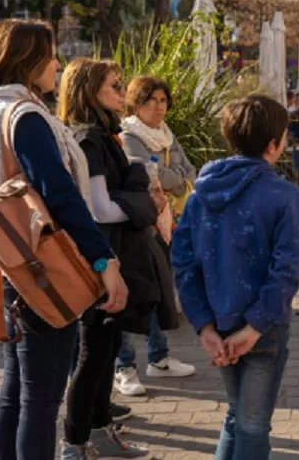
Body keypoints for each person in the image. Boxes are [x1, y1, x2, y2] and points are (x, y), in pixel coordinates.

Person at [0, 20, 126, 460]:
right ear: (27, 60)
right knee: (40, 399)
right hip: (43, 271)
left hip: (12, 267)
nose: (58, 63)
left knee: (17, 392)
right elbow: (61, 196)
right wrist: (103, 259)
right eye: (51, 54)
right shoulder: (26, 117)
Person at [171, 95, 299, 460]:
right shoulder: (283, 195)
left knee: (238, 415)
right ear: (273, 144)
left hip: (220, 322)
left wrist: (203, 326)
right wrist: (255, 326)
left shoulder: (200, 193)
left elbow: (183, 263)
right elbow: (289, 268)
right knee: (252, 423)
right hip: (264, 327)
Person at [60, 59, 180, 459]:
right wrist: (142, 201)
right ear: (91, 90)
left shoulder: (104, 135)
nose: (121, 90)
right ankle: (74, 442)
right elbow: (100, 209)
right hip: (102, 257)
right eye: (114, 85)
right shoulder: (89, 140)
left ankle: (98, 430)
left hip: (114, 254)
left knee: (105, 348)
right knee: (93, 353)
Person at [113, 76, 197, 397]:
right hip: (139, 223)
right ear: (137, 103)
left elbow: (188, 169)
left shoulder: (166, 135)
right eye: (153, 100)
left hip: (168, 222)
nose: (160, 106)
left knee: (158, 288)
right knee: (135, 292)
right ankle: (124, 366)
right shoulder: (129, 135)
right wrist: (174, 176)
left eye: (164, 100)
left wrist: (171, 176)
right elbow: (147, 174)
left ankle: (158, 357)